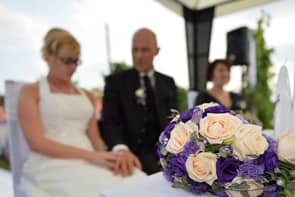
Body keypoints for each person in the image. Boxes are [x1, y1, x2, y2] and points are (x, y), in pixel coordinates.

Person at [18, 28, 145, 197]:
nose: (72, 67)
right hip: (52, 164)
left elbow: (95, 139)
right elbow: (36, 143)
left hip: (91, 160)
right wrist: (91, 156)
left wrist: (113, 157)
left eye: (76, 61)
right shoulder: (30, 92)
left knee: (137, 180)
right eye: (67, 61)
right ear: (48, 56)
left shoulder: (87, 95)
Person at [101, 28, 177, 175]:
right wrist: (120, 148)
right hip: (130, 155)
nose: (138, 56)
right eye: (134, 50)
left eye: (145, 50)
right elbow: (110, 121)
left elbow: (173, 121)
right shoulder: (115, 81)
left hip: (163, 156)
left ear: (157, 51)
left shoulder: (168, 82)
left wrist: (170, 152)